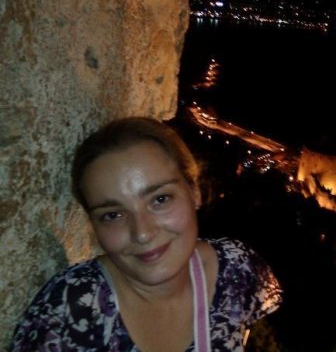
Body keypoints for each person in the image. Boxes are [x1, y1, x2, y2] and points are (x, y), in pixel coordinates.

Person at [10, 116, 282, 351]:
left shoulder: (236, 269)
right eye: (113, 215)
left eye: (160, 199)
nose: (142, 233)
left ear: (194, 192)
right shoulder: (67, 312)